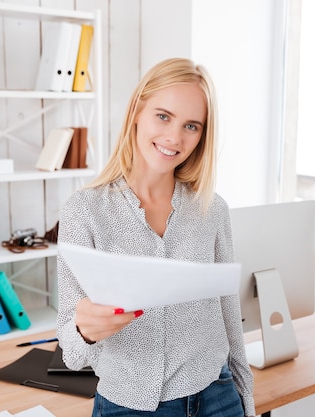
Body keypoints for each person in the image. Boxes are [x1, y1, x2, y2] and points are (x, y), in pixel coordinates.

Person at [56, 57, 255, 417]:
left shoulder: (212, 209)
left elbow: (230, 319)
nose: (174, 138)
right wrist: (85, 330)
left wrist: (245, 400)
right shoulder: (84, 211)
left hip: (217, 396)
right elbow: (70, 352)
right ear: (137, 111)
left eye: (191, 126)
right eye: (163, 116)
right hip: (128, 406)